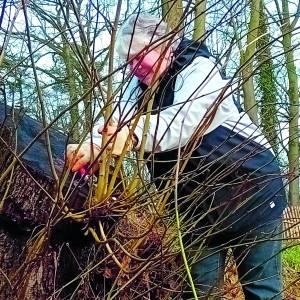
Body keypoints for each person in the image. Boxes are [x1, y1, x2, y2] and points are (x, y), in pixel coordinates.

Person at [66, 13, 287, 299]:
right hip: (196, 209)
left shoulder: (200, 69)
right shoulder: (136, 89)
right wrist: (89, 147)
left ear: (166, 44)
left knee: (262, 292)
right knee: (198, 292)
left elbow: (186, 119)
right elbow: (115, 122)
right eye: (128, 60)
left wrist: (132, 136)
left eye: (140, 56)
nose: (134, 67)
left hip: (251, 192)